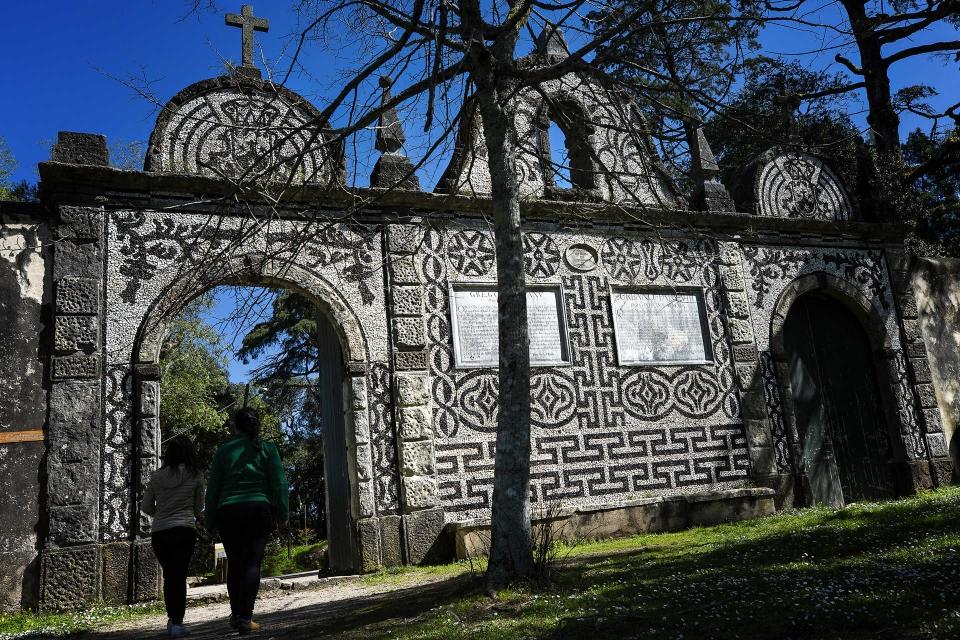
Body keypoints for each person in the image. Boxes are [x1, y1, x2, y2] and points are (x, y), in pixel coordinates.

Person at [205, 407, 289, 635]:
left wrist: (209, 520)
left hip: (228, 511)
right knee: (252, 563)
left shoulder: (223, 451)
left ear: (236, 426)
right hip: (258, 509)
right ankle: (245, 617)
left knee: (235, 563)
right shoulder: (267, 449)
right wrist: (282, 513)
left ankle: (236, 614)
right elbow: (279, 484)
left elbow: (212, 489)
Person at [141, 435, 204, 638]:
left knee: (170, 576)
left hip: (160, 532)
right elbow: (199, 507)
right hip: (184, 529)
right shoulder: (196, 475)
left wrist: (161, 514)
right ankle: (177, 622)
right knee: (179, 575)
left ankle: (172, 620)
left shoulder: (156, 476)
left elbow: (146, 506)